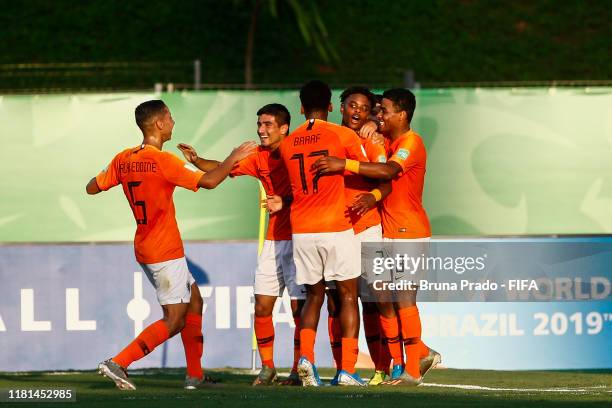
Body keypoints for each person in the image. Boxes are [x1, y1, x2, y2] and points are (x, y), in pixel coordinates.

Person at [86, 99, 256, 390]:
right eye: (170, 116)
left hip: (145, 245)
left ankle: (195, 375)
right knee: (175, 320)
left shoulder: (124, 158)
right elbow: (211, 181)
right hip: (164, 249)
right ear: (159, 124)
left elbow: (92, 186)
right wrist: (232, 156)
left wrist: (116, 171)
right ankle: (118, 362)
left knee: (195, 301)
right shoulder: (162, 161)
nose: (173, 121)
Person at [313, 88, 441, 386]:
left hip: (409, 231)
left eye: (383, 111)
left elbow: (386, 171)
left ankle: (410, 369)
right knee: (386, 300)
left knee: (404, 299)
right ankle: (417, 355)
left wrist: (344, 164)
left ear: (402, 114)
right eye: (377, 111)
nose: (378, 115)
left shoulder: (411, 143)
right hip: (384, 231)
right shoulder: (390, 140)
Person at [178, 103, 306, 386]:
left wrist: (284, 202)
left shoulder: (298, 151)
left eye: (267, 125)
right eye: (259, 124)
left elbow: (316, 191)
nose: (261, 130)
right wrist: (197, 160)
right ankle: (268, 367)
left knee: (299, 310)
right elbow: (224, 169)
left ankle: (299, 369)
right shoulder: (259, 156)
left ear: (284, 128)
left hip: (301, 238)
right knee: (262, 306)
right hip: (274, 240)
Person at [274, 80, 371, 386]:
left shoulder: (287, 144)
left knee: (313, 297)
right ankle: (347, 370)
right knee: (348, 296)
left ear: (300, 108)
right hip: (336, 225)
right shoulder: (342, 134)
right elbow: (367, 169)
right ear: (332, 106)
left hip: (301, 228)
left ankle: (306, 360)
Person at [325, 86, 393, 386]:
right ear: (341, 107)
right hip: (334, 230)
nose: (356, 111)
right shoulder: (325, 138)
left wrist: (373, 195)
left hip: (367, 225)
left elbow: (386, 175)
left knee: (376, 297)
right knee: (336, 301)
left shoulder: (370, 139)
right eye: (351, 105)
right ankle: (344, 368)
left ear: (370, 112)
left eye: (363, 108)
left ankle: (387, 367)